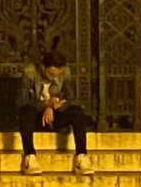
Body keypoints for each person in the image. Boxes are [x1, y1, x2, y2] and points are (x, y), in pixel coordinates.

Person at [17, 41, 94, 174]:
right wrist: (46, 105)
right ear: (43, 67)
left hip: (57, 114)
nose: (55, 78)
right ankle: (30, 156)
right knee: (25, 112)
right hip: (37, 116)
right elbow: (21, 101)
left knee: (77, 111)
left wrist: (55, 106)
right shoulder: (30, 72)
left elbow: (71, 99)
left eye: (58, 75)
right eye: (51, 75)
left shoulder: (65, 72)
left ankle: (81, 156)